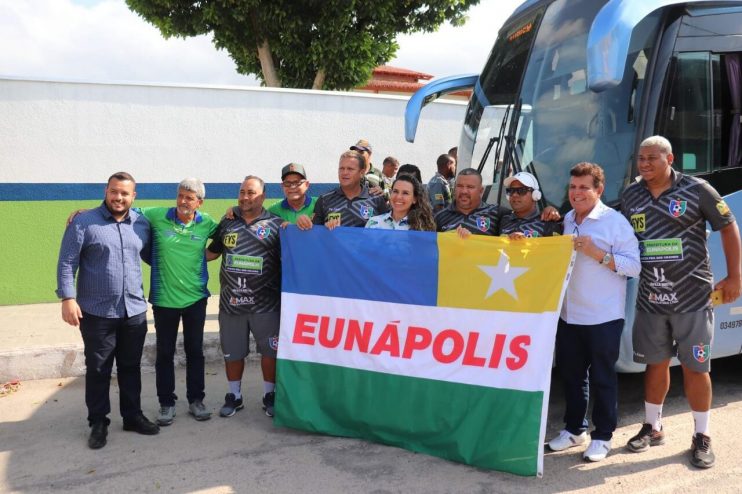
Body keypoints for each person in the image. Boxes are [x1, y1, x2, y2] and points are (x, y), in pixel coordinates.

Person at [620, 136, 740, 468]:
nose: (644, 164)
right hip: (651, 298)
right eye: (641, 158)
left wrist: (735, 277)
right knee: (655, 364)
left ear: (670, 159)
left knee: (696, 367)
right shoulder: (631, 195)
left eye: (652, 158)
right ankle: (653, 426)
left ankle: (702, 435)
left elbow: (729, 227)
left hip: (693, 298)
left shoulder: (697, 189)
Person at [56, 172, 159, 449]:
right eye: (114, 191)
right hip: (96, 312)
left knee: (130, 367)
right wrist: (68, 298)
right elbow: (67, 262)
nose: (118, 197)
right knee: (99, 369)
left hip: (133, 310)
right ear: (106, 191)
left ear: (133, 196)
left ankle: (132, 416)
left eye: (125, 193)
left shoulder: (141, 224)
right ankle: (98, 422)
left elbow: (154, 256)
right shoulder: (84, 222)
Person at [547, 162, 641, 462]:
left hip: (603, 316)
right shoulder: (567, 218)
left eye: (584, 188)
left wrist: (597, 253)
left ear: (599, 190)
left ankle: (603, 436)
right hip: (569, 314)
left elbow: (634, 267)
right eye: (573, 187)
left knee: (603, 377)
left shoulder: (615, 222)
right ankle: (575, 429)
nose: (576, 193)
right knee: (572, 376)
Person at [136, 178, 218, 426]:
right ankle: (166, 403)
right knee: (164, 353)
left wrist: (205, 255)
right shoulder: (157, 215)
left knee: (195, 352)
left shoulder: (207, 223)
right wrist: (87, 213)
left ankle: (196, 400)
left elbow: (226, 237)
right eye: (181, 195)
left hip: (196, 299)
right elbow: (125, 208)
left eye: (189, 198)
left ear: (199, 202)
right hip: (164, 300)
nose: (183, 201)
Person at [206, 175, 283, 418]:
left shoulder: (276, 225)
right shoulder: (227, 222)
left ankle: (269, 395)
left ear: (263, 196)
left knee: (270, 353)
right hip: (231, 304)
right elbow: (212, 253)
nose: (245, 197)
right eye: (242, 192)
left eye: (251, 192)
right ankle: (235, 396)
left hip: (266, 305)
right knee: (233, 353)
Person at [312, 150, 389, 228]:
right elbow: (315, 232)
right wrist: (325, 229)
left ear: (362, 173)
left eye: (350, 169)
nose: (344, 172)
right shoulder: (324, 200)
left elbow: (388, 229)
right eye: (341, 168)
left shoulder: (376, 199)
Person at [434, 168, 502, 237]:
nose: (464, 191)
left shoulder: (497, 214)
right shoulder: (440, 217)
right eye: (460, 186)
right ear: (454, 189)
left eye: (470, 187)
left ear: (481, 191)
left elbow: (506, 240)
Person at [500, 171, 562, 238]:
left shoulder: (548, 224)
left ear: (535, 195)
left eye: (522, 190)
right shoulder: (502, 220)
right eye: (511, 191)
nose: (514, 195)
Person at [365, 175, 435, 231]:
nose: (398, 197)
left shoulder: (423, 227)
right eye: (395, 191)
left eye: (405, 193)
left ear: (414, 199)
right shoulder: (373, 223)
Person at [267, 163, 316, 229]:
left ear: (306, 185)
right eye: (287, 183)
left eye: (297, 182)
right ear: (282, 186)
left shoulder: (320, 205)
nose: (292, 187)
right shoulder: (273, 211)